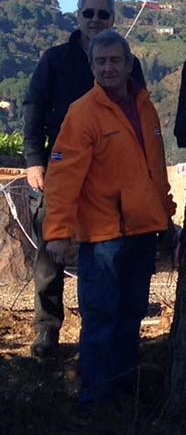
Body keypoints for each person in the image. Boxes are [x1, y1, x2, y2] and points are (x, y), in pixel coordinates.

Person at [42, 31, 174, 406]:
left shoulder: (145, 105)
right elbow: (63, 179)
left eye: (115, 60)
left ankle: (123, 396)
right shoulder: (82, 112)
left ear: (129, 63)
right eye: (101, 62)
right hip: (103, 238)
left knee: (130, 319)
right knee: (101, 321)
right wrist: (58, 232)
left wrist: (166, 219)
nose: (108, 67)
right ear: (92, 67)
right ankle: (96, 403)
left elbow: (156, 170)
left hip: (143, 231)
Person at [22, 0, 145, 361]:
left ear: (113, 19)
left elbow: (138, 115)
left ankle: (110, 336)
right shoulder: (55, 60)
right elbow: (33, 107)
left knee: (107, 254)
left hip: (110, 179)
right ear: (77, 17)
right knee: (51, 246)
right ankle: (47, 326)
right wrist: (33, 160)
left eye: (102, 14)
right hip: (60, 168)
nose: (95, 19)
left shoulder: (129, 65)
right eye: (88, 13)